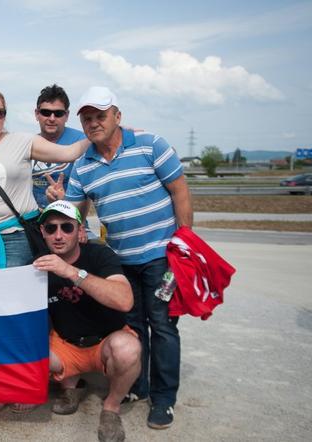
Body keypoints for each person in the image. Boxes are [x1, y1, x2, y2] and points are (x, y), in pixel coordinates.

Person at [0, 89, 89, 413]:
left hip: (15, 238)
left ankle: (24, 384)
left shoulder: (22, 142)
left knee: (19, 313)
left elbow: (68, 153)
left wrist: (94, 135)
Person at [66, 86, 193, 430]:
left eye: (100, 116)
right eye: (87, 118)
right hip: (121, 261)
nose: (94, 123)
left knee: (163, 326)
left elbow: (180, 190)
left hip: (161, 256)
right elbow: (76, 212)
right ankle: (139, 387)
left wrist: (185, 241)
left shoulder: (151, 145)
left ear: (117, 116)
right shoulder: (83, 166)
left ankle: (164, 399)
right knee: (134, 327)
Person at [32, 200, 140, 442]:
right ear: (43, 233)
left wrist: (72, 273)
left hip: (105, 342)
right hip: (66, 344)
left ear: (80, 231)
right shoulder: (39, 265)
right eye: (51, 229)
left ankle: (111, 408)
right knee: (27, 348)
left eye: (66, 227)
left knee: (128, 349)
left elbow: (125, 301)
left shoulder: (99, 254)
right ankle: (70, 388)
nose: (58, 235)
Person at [31, 84, 86, 208]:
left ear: (66, 115)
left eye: (58, 113)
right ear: (36, 114)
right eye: (46, 112)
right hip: (36, 220)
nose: (51, 118)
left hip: (70, 219)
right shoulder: (29, 144)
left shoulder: (83, 141)